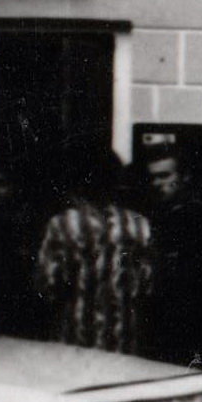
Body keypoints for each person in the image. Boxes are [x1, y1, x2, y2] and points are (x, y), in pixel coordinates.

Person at [33, 145, 154, 356]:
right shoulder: (138, 225)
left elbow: (47, 287)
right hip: (123, 341)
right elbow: (147, 286)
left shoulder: (62, 225)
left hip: (74, 340)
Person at [139, 137, 202, 372]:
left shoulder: (198, 215)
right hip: (165, 330)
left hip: (196, 332)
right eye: (153, 177)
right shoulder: (155, 215)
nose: (157, 183)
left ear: (183, 177)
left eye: (165, 176)